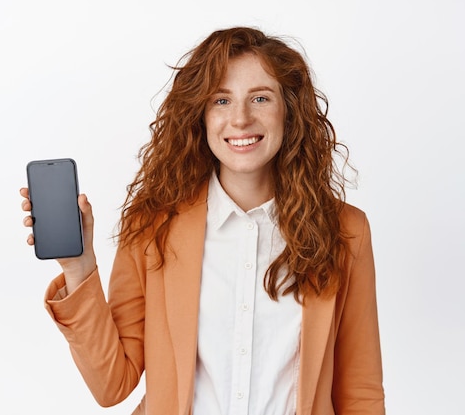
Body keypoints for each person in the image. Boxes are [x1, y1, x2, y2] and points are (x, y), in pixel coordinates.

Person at [21, 26, 385, 415]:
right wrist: (79, 269)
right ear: (201, 114)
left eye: (260, 98)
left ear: (289, 109)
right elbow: (112, 385)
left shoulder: (346, 231)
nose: (240, 119)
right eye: (221, 100)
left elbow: (359, 391)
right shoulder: (152, 226)